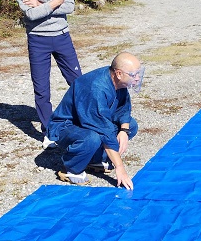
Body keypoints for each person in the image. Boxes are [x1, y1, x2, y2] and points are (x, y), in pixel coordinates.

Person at [13, 0, 82, 149]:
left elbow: (69, 5)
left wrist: (43, 3)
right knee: (42, 89)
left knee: (78, 81)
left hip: (62, 36)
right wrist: (54, 1)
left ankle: (85, 120)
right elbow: (31, 14)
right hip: (38, 39)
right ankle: (49, 131)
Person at [47, 53, 143, 190]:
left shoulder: (117, 81)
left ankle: (94, 160)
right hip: (67, 125)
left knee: (130, 126)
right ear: (119, 73)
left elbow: (123, 107)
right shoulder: (96, 88)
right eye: (134, 75)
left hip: (90, 120)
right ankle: (71, 167)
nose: (137, 78)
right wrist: (120, 167)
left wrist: (124, 130)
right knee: (92, 138)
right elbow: (104, 130)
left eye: (138, 73)